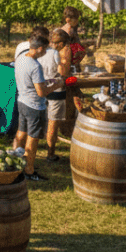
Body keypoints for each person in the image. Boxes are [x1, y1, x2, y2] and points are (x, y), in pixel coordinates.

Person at [13, 35, 62, 183]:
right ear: (39, 48)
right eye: (45, 49)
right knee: (33, 139)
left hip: (22, 101)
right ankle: (29, 170)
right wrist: (56, 85)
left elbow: (30, 82)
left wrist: (44, 82)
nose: (45, 52)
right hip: (35, 106)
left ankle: (15, 163)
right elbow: (41, 92)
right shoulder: (35, 66)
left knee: (21, 132)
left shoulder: (21, 58)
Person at [43, 30, 73, 162]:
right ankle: (50, 154)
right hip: (56, 89)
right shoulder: (61, 52)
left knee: (43, 120)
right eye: (65, 44)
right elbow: (62, 72)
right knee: (53, 123)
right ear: (61, 43)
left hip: (42, 86)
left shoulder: (44, 49)